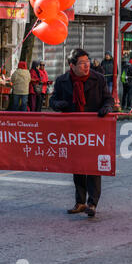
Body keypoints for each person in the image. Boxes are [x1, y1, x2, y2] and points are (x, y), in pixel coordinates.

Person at [49, 48, 114, 217]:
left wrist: (107, 107)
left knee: (93, 166)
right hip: (72, 130)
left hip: (93, 130)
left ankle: (92, 203)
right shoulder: (62, 81)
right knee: (77, 167)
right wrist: (59, 105)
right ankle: (80, 202)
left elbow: (108, 99)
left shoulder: (98, 79)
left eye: (88, 62)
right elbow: (52, 100)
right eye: (82, 63)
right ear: (72, 65)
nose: (86, 66)